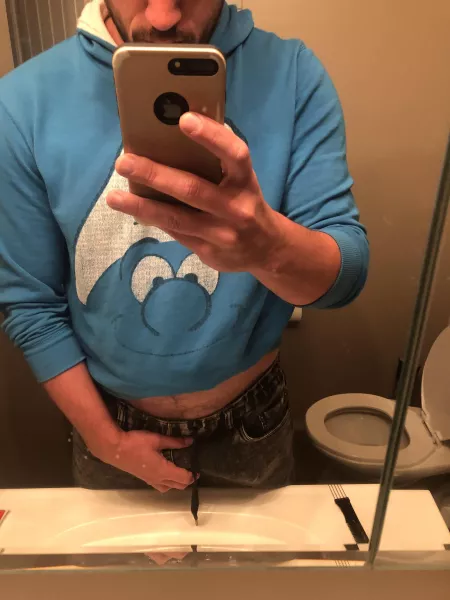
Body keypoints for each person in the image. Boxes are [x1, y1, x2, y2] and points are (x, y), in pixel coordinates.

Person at [0, 0, 369, 493]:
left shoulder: (293, 74)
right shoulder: (21, 103)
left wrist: (269, 248)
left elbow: (344, 278)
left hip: (255, 420)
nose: (162, 18)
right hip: (107, 425)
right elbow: (30, 304)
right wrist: (105, 439)